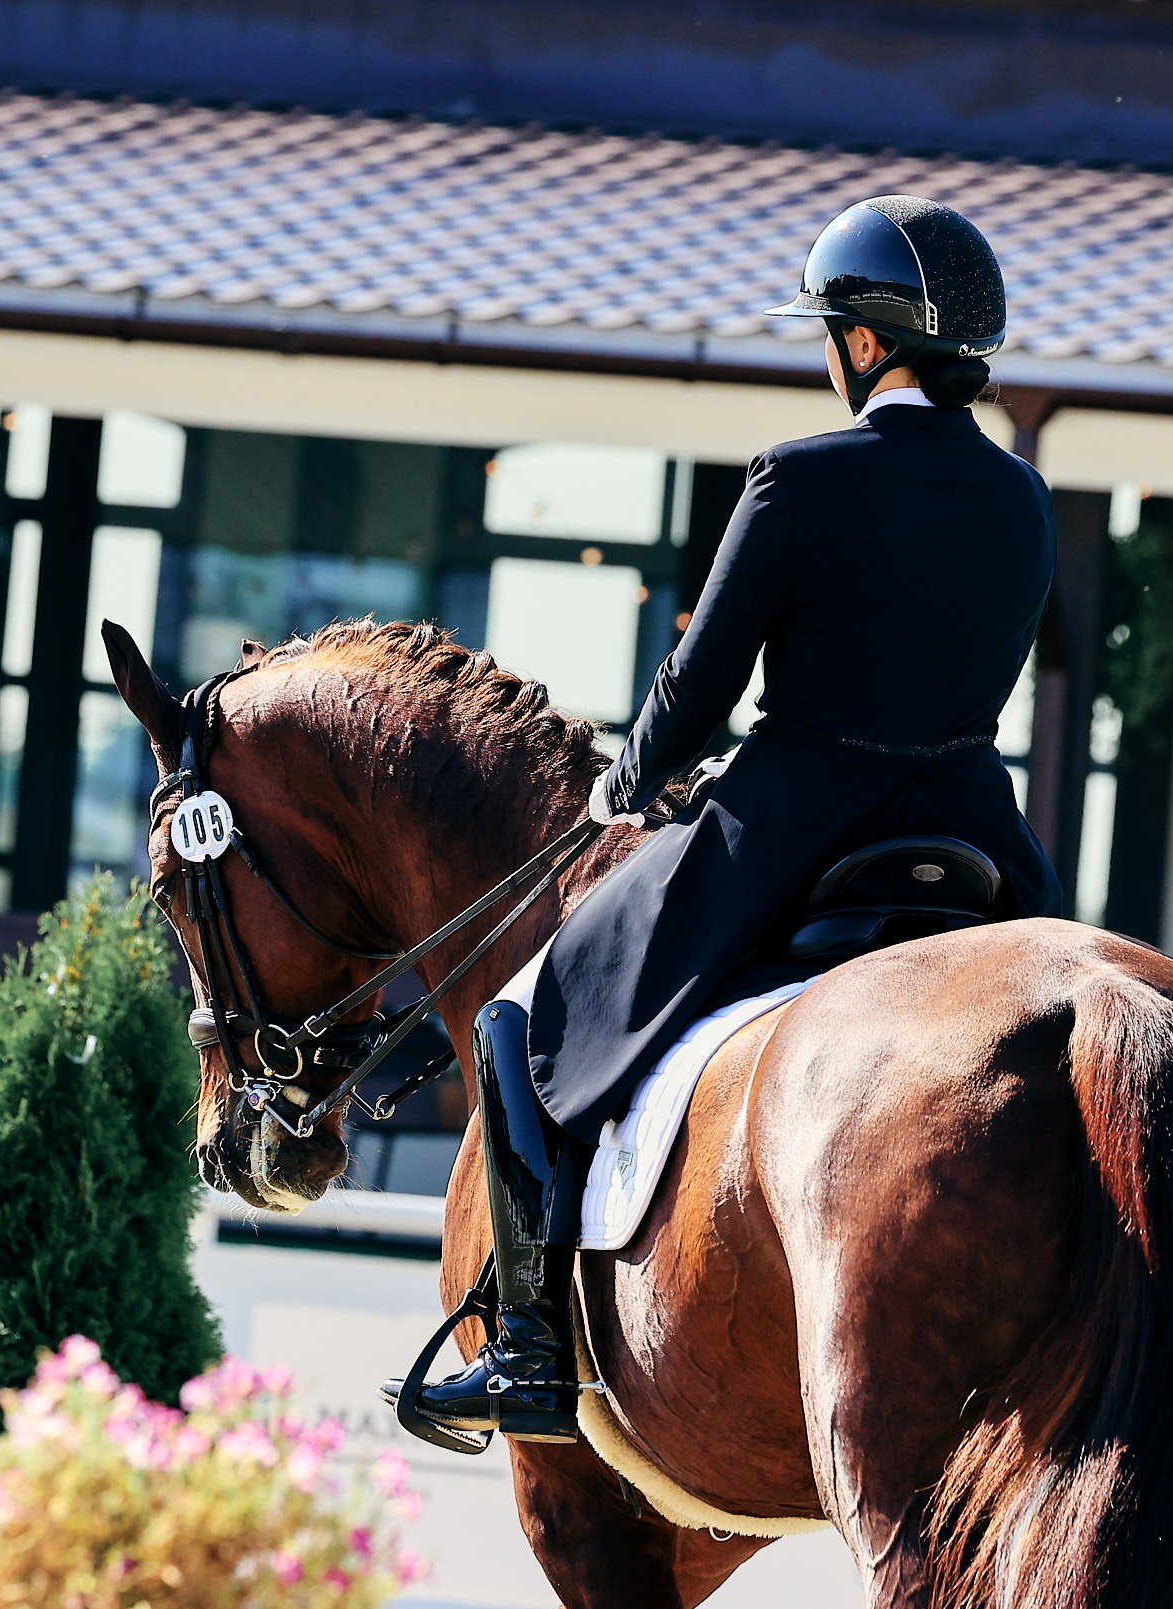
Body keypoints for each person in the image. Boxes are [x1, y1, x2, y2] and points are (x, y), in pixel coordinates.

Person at [392, 196, 1061, 1443]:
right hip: (977, 833)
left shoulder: (797, 479)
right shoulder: (1023, 500)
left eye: (830, 333)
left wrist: (627, 782)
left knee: (521, 1015)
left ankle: (530, 1346)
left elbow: (700, 686)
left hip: (793, 818)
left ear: (863, 345)